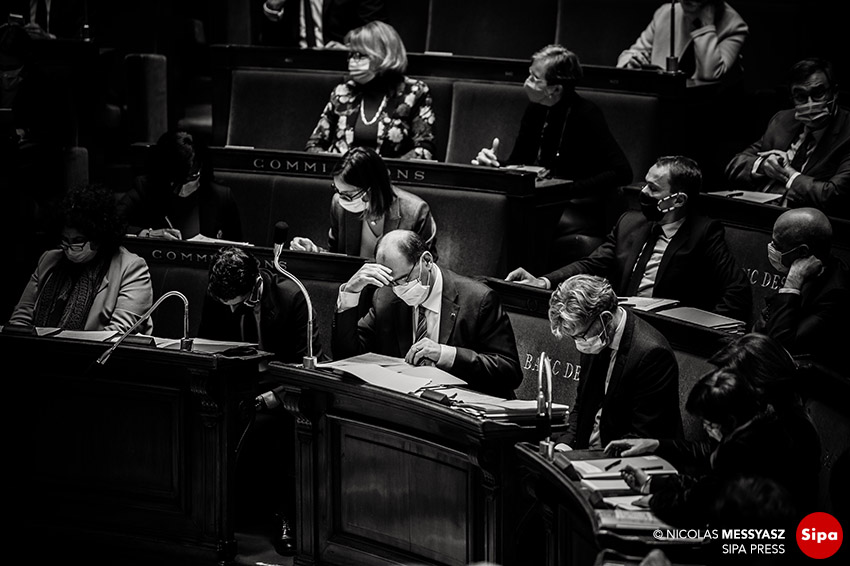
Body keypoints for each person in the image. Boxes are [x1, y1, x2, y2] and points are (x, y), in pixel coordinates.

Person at [507, 155, 753, 323]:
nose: (644, 193)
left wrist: (701, 334)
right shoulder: (630, 223)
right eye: (645, 184)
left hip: (668, 329)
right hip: (625, 324)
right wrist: (544, 282)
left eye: (654, 189)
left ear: (679, 200)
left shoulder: (704, 233)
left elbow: (737, 291)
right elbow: (591, 265)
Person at [198, 246, 323, 557]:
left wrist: (272, 398)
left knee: (275, 427)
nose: (230, 311)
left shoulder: (291, 296)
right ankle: (211, 514)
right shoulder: (218, 295)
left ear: (255, 286)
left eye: (236, 305)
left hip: (282, 389)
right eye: (224, 305)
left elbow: (307, 364)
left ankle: (286, 517)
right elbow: (206, 348)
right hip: (236, 385)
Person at [472, 44, 632, 264]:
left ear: (556, 89)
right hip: (541, 200)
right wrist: (496, 165)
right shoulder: (535, 108)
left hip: (579, 205)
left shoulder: (586, 114)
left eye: (536, 78)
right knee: (498, 210)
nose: (528, 83)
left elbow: (622, 171)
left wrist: (567, 189)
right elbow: (520, 162)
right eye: (530, 74)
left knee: (523, 220)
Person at [607, 333, 821, 484]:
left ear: (757, 385)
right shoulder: (757, 415)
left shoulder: (790, 433)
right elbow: (712, 451)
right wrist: (654, 444)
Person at [332, 229, 522, 399]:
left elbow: (509, 372)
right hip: (413, 408)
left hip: (466, 410)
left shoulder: (479, 300)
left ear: (427, 261)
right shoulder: (386, 298)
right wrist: (350, 293)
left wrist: (444, 354)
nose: (397, 289)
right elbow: (347, 356)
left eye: (403, 279)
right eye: (390, 282)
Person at [620, 368, 820, 528]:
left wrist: (656, 502)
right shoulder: (760, 429)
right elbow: (705, 486)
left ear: (730, 420)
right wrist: (651, 484)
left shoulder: (743, 449)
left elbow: (699, 504)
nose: (706, 431)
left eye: (709, 424)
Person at [548, 274, 682, 450]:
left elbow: (642, 436)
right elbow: (582, 407)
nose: (578, 343)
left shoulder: (652, 355)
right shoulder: (595, 337)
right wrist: (564, 445)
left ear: (606, 319)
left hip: (627, 461)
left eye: (579, 336)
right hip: (588, 453)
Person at [8, 183, 153, 334]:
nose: (70, 248)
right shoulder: (48, 259)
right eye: (65, 239)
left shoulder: (131, 268)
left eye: (78, 240)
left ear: (98, 238)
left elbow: (117, 335)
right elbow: (20, 319)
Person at [725, 58, 850, 218]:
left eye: (818, 94)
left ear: (835, 92)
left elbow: (833, 195)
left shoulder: (847, 132)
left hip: (805, 222)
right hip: (759, 212)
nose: (810, 104)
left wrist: (788, 174)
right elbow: (735, 165)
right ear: (792, 98)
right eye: (801, 96)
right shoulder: (783, 120)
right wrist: (764, 165)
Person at [305, 21, 436, 160]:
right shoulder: (343, 92)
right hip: (340, 176)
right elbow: (314, 144)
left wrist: (380, 172)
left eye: (361, 55)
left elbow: (424, 149)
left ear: (384, 55)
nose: (353, 61)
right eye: (351, 54)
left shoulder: (413, 92)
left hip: (387, 178)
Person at [290, 146, 437, 259]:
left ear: (371, 189)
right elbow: (337, 257)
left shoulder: (416, 211)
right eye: (336, 190)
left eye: (347, 195)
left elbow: (426, 267)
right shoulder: (338, 205)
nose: (341, 199)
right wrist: (314, 251)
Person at [754, 207, 850, 370]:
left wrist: (792, 284)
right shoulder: (806, 270)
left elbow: (779, 349)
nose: (771, 248)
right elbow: (759, 330)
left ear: (803, 252)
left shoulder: (836, 294)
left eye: (777, 245)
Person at [198, 246, 323, 365]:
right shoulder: (217, 292)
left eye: (239, 305)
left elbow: (305, 362)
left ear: (257, 284)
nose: (232, 311)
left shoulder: (293, 298)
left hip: (281, 379)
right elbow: (205, 349)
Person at [117, 129, 243, 242]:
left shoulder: (221, 197)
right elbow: (110, 223)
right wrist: (146, 233)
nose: (182, 190)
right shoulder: (146, 188)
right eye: (175, 182)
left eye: (192, 178)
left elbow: (239, 247)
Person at [616, 1, 748, 83]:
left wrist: (706, 27)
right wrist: (632, 63)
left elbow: (709, 74)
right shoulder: (666, 12)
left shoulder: (734, 25)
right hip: (658, 103)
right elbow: (631, 54)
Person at [259, 0, 386, 49]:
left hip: (342, 66)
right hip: (294, 67)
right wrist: (273, 6)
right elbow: (266, 44)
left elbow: (378, 33)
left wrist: (350, 50)